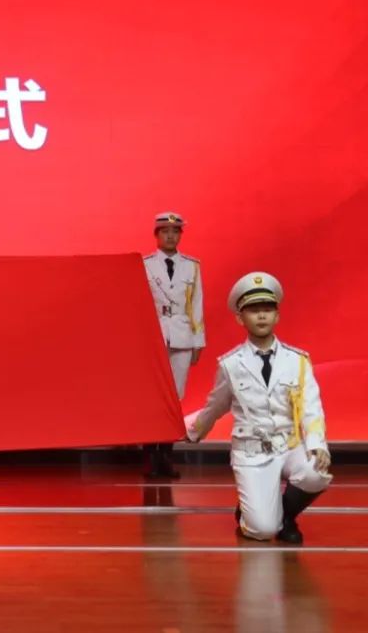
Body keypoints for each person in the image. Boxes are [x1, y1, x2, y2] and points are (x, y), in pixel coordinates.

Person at [185, 272, 331, 544]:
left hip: (288, 445)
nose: (262, 316)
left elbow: (311, 405)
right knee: (262, 531)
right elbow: (215, 406)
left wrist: (317, 444)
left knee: (317, 471)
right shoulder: (231, 364)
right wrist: (193, 431)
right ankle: (255, 514)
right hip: (252, 451)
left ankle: (286, 517)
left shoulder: (297, 360)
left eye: (267, 309)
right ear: (240, 318)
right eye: (253, 310)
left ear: (277, 315)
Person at [143, 211, 205, 478]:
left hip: (181, 335)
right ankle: (150, 457)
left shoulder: (191, 266)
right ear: (156, 235)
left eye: (175, 232)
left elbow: (196, 304)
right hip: (154, 334)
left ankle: (166, 456)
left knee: (175, 399)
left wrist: (198, 341)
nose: (170, 236)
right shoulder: (145, 265)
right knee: (152, 398)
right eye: (165, 232)